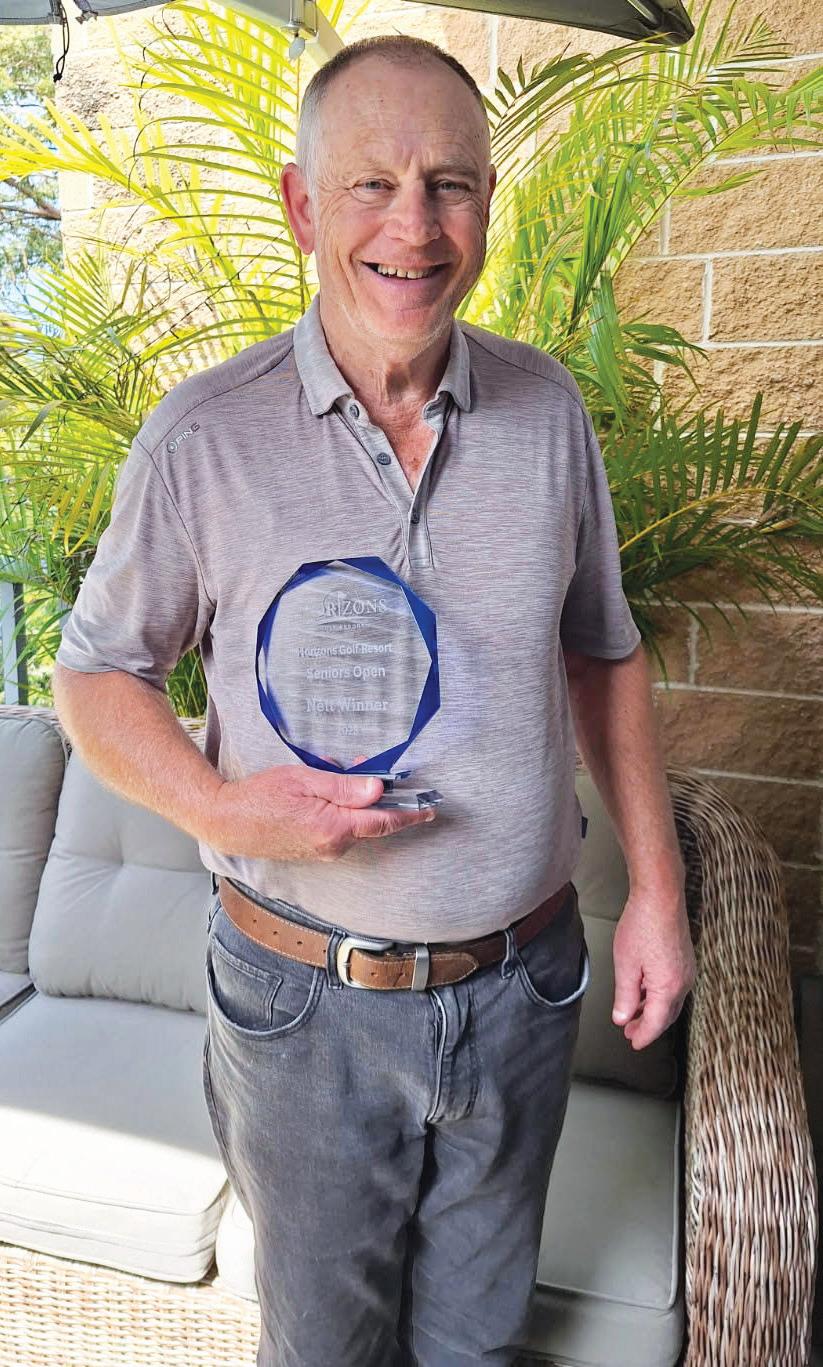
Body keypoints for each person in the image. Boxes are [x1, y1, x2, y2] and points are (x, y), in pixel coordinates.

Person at [52, 32, 697, 1367]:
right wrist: (223, 808)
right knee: (324, 1353)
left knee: (478, 1347)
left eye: (450, 184)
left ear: (487, 206)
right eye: (372, 185)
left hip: (524, 988)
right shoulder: (204, 439)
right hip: (302, 1009)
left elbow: (604, 652)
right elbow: (97, 673)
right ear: (303, 206)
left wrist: (656, 892)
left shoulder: (547, 413)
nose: (415, 226)